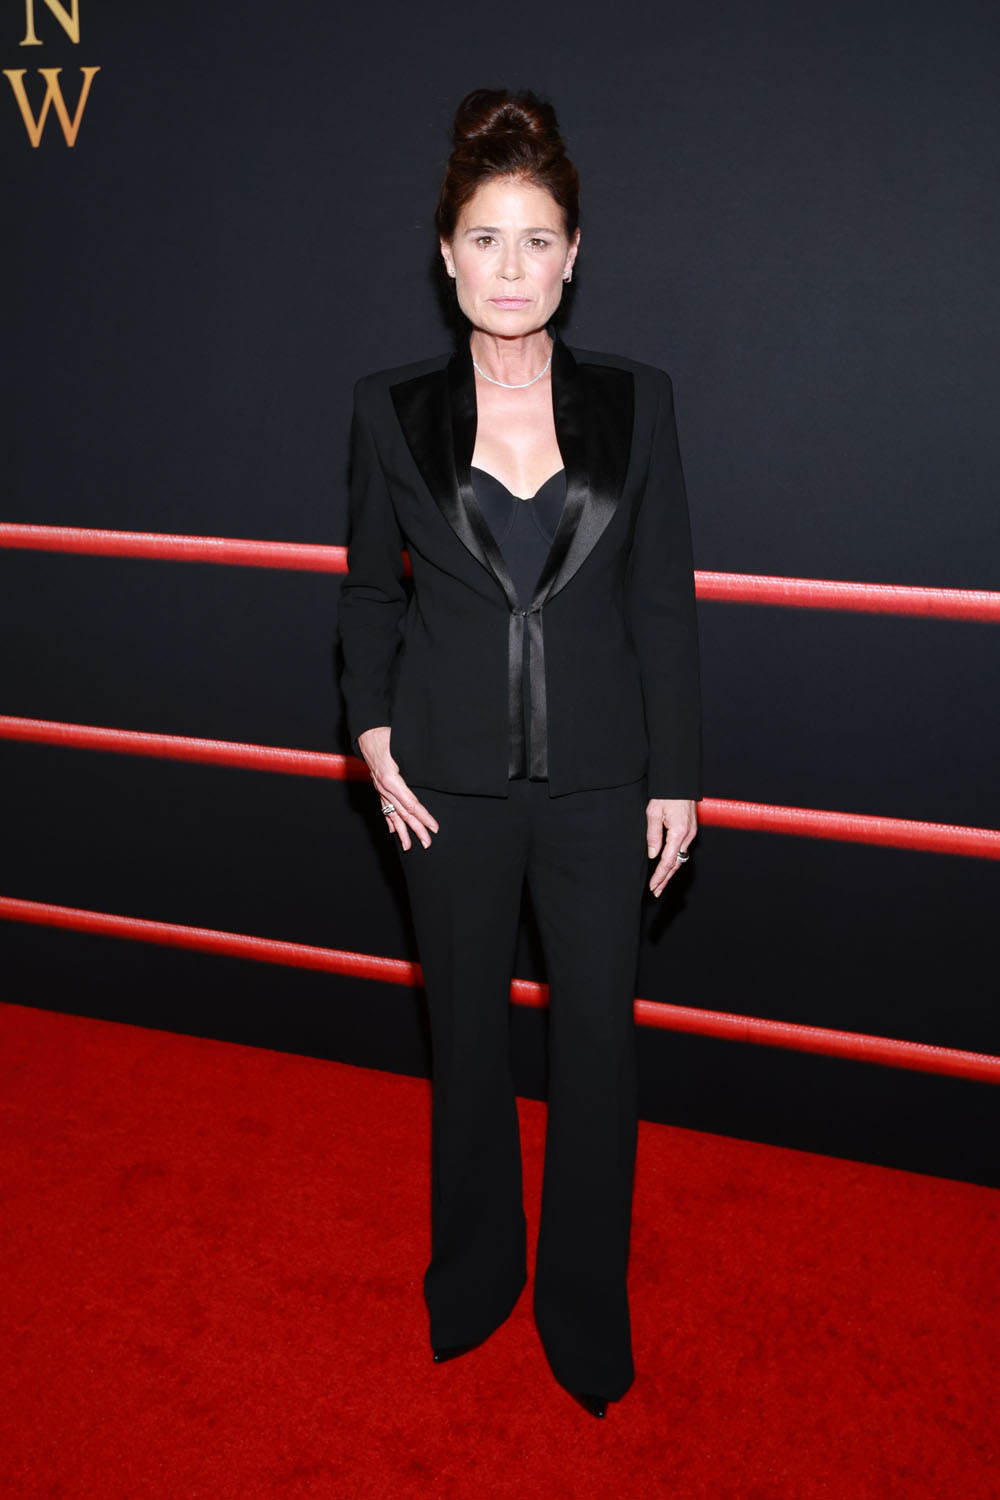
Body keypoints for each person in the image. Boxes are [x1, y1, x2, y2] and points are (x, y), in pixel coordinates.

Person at [338, 86, 701, 1419]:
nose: (511, 267)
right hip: (447, 789)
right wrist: (372, 732)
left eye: (537, 239)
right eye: (485, 239)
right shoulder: (388, 411)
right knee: (469, 1048)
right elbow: (368, 593)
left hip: (603, 787)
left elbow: (662, 601)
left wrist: (678, 778)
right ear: (446, 255)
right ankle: (478, 1276)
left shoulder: (639, 404)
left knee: (599, 1055)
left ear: (574, 253)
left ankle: (583, 1312)